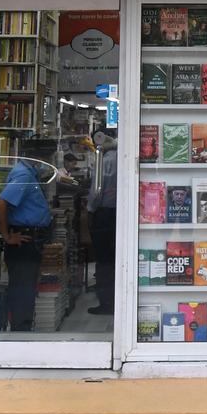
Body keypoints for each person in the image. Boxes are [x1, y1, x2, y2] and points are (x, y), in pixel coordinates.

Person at [0, 147, 54, 332]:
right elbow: (0, 204)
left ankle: (23, 328)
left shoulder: (28, 173)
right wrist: (7, 236)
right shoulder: (24, 175)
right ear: (37, 157)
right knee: (23, 290)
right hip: (23, 240)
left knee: (25, 288)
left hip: (29, 239)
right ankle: (20, 332)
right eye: (46, 159)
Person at [86, 130, 118, 315]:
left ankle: (106, 303)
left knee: (104, 260)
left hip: (104, 214)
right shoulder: (122, 156)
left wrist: (90, 209)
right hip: (120, 212)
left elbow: (96, 190)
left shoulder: (104, 160)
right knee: (118, 257)